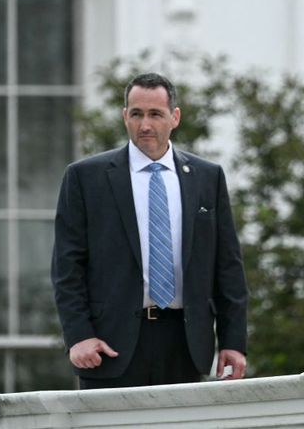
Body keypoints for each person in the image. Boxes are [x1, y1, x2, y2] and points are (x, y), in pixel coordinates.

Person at [52, 72, 249, 387]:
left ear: (175, 117)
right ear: (124, 116)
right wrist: (79, 336)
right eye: (136, 114)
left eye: (155, 114)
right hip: (109, 346)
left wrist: (233, 341)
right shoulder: (85, 178)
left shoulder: (207, 178)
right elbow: (67, 267)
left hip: (185, 343)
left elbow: (227, 267)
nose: (145, 125)